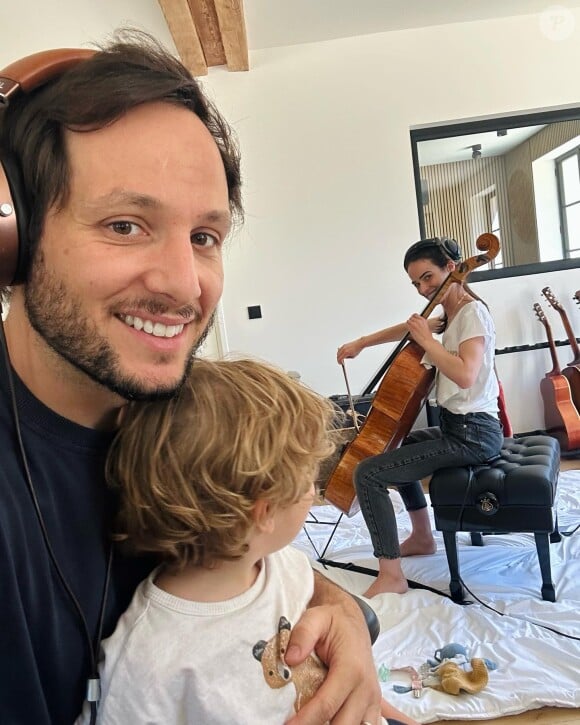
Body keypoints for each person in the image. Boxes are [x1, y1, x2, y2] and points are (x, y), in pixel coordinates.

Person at [0, 31, 381, 725]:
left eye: (203, 237)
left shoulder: (176, 404)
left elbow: (243, 555)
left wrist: (340, 613)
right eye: (125, 224)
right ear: (13, 238)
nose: (185, 285)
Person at [75, 357, 418, 725]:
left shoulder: (281, 566)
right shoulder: (148, 662)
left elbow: (348, 687)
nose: (314, 489)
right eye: (308, 480)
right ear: (265, 511)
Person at [337, 237, 504, 597]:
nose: (423, 289)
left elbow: (465, 374)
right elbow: (410, 328)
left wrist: (428, 342)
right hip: (457, 427)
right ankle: (422, 537)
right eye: (416, 284)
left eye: (428, 278)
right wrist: (361, 343)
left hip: (474, 434)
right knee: (395, 447)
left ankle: (391, 576)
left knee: (368, 473)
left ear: (450, 267)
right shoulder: (452, 312)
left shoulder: (472, 312)